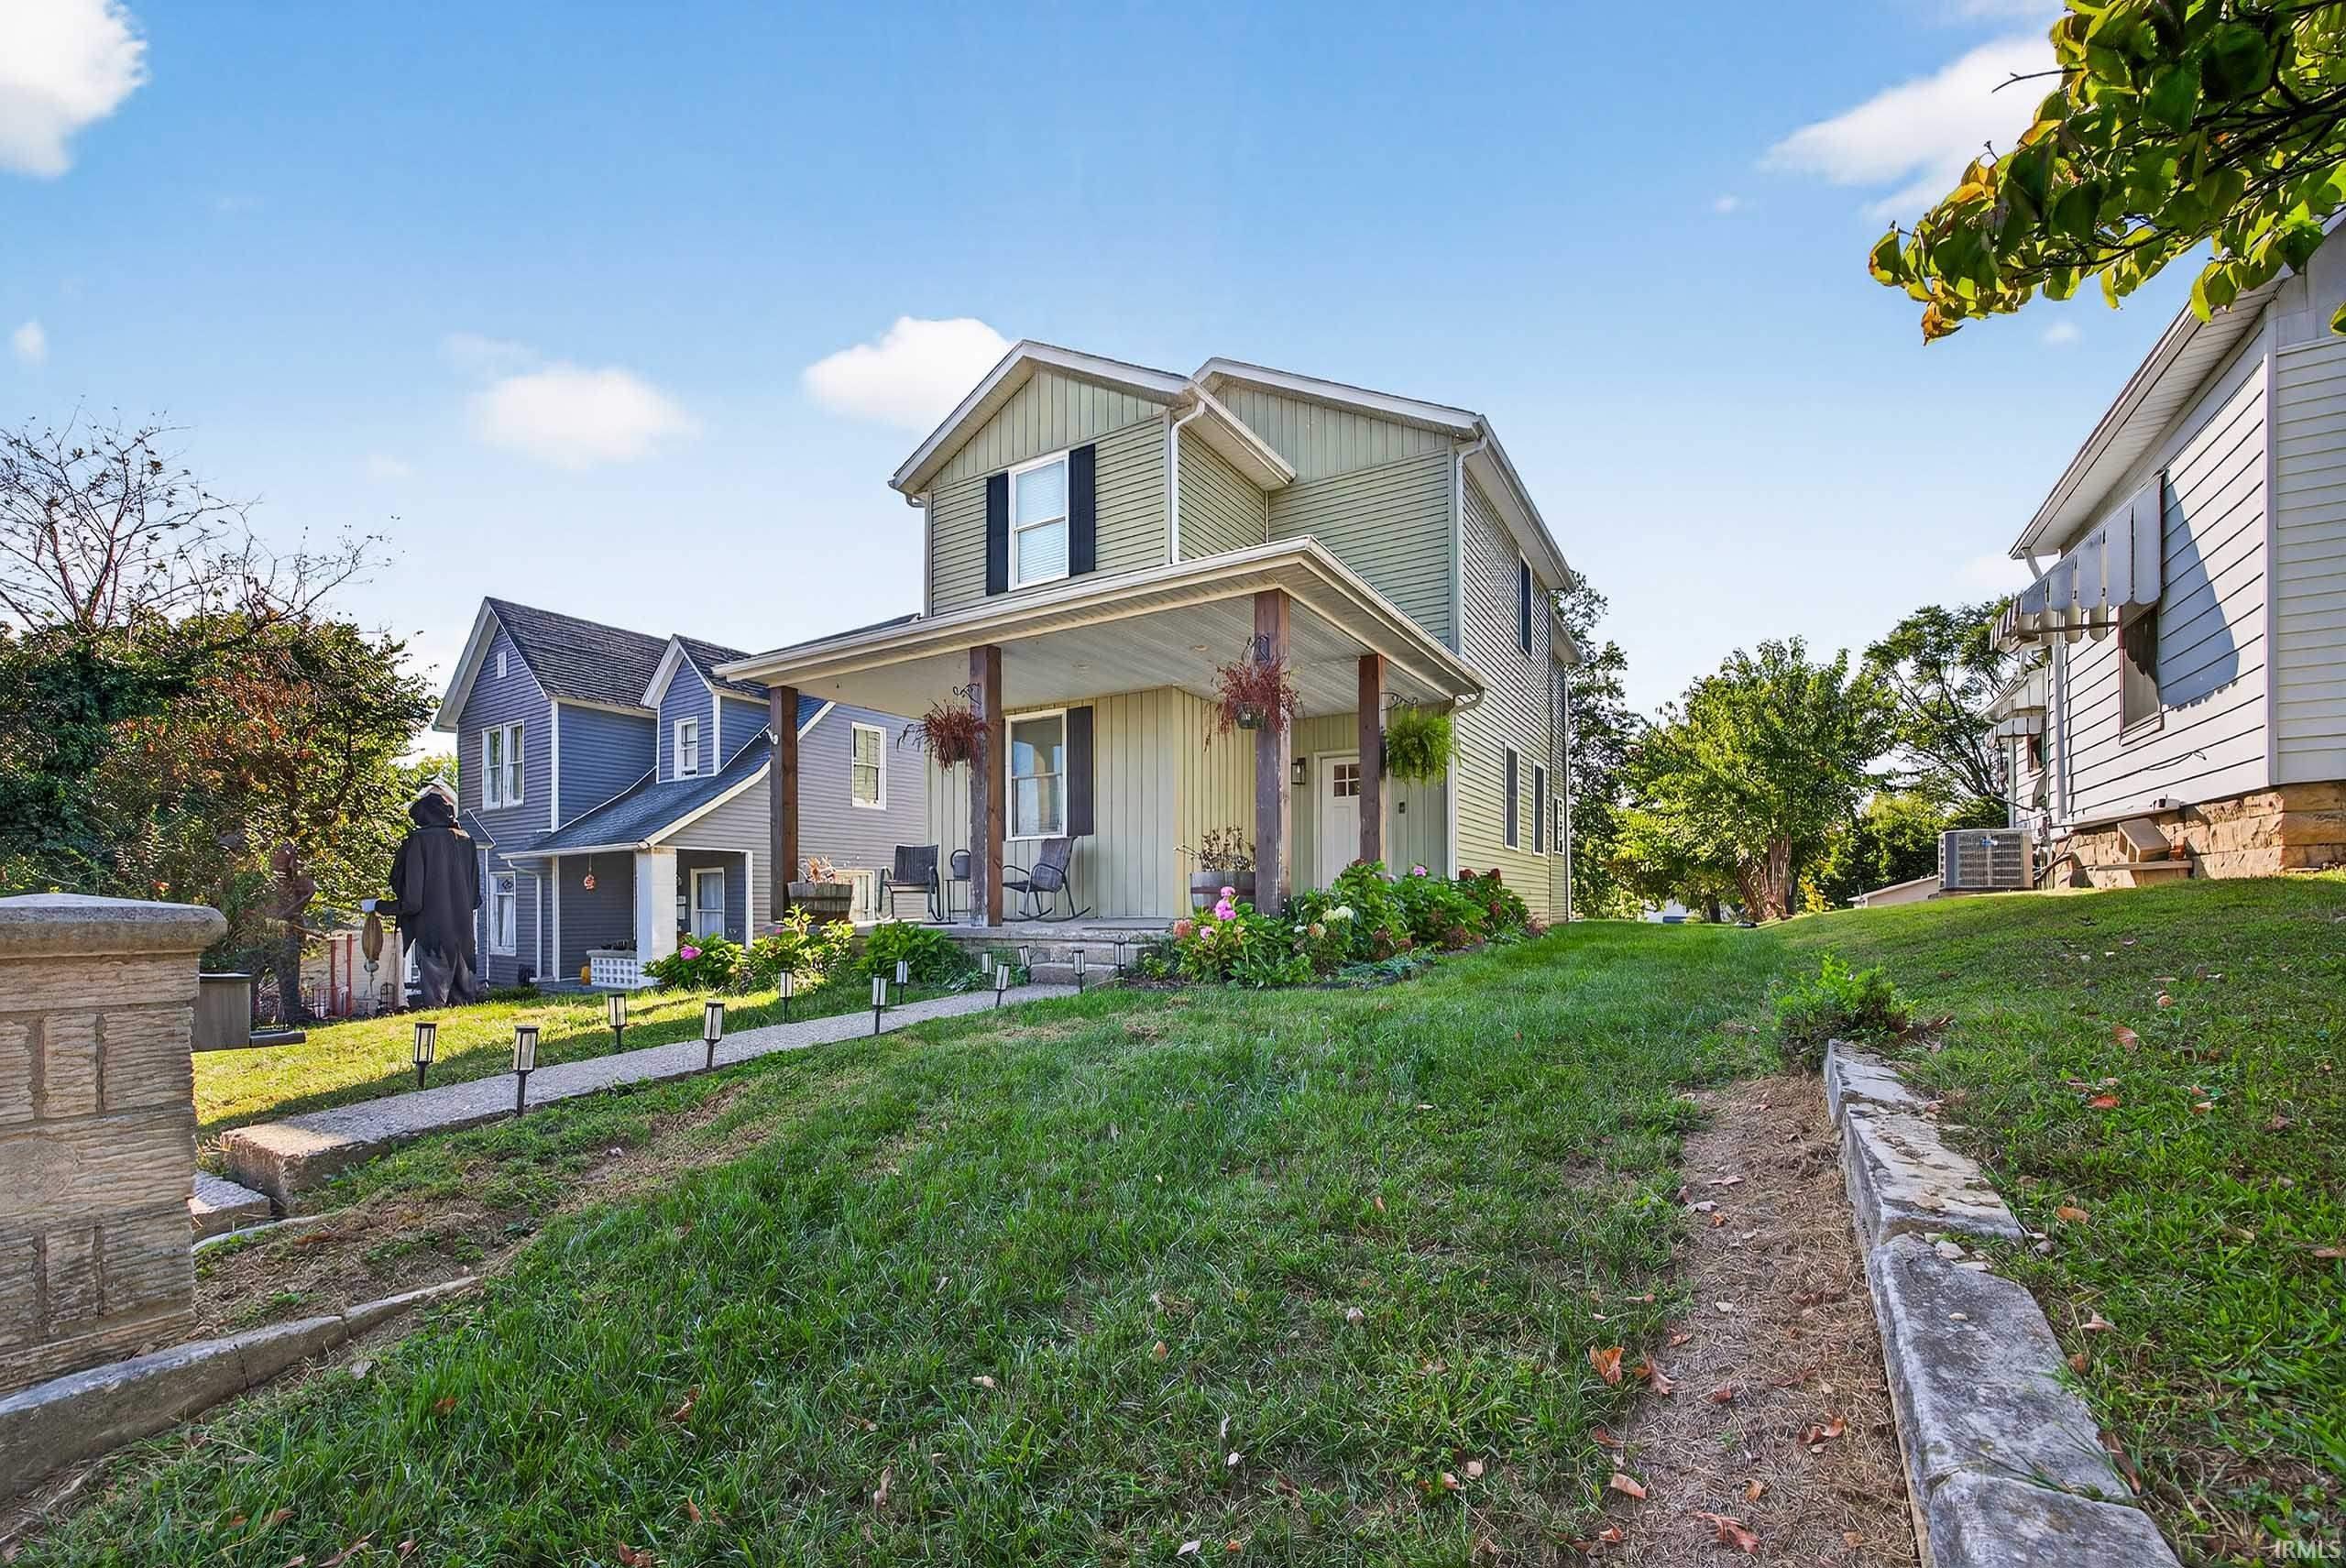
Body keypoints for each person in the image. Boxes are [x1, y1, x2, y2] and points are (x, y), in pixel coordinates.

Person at [385, 785, 483, 1007]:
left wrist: (380, 906)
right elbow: (475, 899)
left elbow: (412, 901)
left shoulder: (418, 842)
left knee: (434, 1005)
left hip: (432, 937)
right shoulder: (467, 840)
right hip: (464, 937)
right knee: (464, 1006)